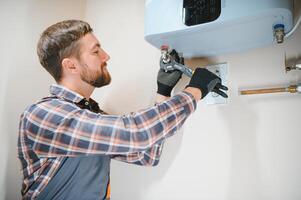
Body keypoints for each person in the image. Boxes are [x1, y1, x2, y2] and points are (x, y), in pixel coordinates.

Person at [18, 20, 227, 200]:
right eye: (95, 51)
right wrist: (194, 91)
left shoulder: (89, 116)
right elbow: (135, 133)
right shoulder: (43, 114)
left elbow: (146, 154)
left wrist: (164, 90)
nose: (106, 56)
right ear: (71, 66)